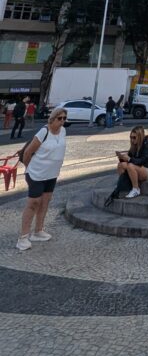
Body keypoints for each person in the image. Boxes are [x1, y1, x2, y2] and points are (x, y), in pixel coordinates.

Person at [16, 107, 68, 252]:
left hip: (51, 174)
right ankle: (23, 237)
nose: (62, 121)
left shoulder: (63, 131)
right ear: (53, 118)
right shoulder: (44, 132)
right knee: (33, 203)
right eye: (60, 118)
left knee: (45, 202)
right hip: (36, 174)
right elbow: (28, 152)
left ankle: (38, 230)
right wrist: (29, 168)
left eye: (64, 118)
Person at [116, 126, 148, 198]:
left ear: (140, 136)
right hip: (138, 167)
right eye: (131, 137)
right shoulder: (134, 145)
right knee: (121, 165)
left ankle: (136, 189)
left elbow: (143, 160)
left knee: (130, 166)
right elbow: (130, 158)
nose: (132, 139)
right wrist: (122, 158)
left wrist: (129, 159)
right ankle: (123, 186)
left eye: (134, 137)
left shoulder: (147, 143)